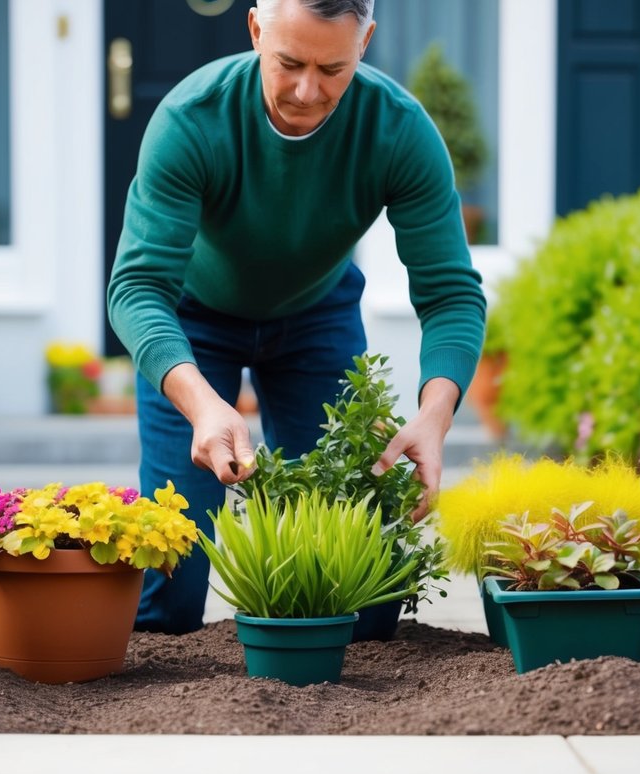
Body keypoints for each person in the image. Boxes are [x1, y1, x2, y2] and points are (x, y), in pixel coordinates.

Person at [107, 0, 486, 634]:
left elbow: (451, 294)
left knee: (362, 589)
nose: (308, 91)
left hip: (317, 320)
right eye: (288, 62)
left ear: (365, 42)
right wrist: (202, 405)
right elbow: (136, 287)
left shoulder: (398, 130)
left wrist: (435, 414)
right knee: (170, 581)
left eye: (333, 68)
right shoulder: (191, 119)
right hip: (194, 326)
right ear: (256, 30)